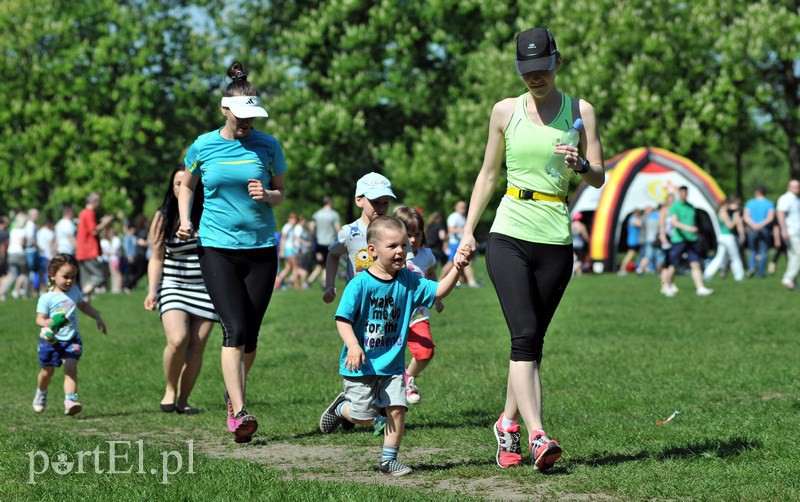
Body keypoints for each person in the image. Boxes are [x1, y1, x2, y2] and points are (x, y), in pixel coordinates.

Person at [456, 28, 605, 472]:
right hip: (509, 232)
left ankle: (507, 424)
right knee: (522, 335)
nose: (535, 78)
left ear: (557, 62)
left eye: (542, 69)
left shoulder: (581, 111)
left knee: (531, 344)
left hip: (555, 237)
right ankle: (538, 435)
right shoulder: (505, 111)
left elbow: (600, 177)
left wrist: (581, 165)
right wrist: (469, 232)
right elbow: (487, 175)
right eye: (527, 71)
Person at [177, 60, 286, 443]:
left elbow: (281, 192)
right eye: (240, 117)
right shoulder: (203, 146)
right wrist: (186, 218)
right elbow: (186, 185)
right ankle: (240, 412)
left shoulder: (269, 145)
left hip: (260, 249)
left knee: (251, 337)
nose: (246, 124)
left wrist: (268, 196)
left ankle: (233, 390)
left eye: (251, 118)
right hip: (216, 248)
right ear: (225, 109)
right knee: (234, 329)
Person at [318, 216, 469, 476]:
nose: (401, 250)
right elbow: (342, 319)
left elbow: (440, 291)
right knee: (364, 418)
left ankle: (389, 460)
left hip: (392, 363)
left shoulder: (409, 281)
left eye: (403, 246)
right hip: (361, 364)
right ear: (373, 250)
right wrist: (353, 346)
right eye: (393, 246)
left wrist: (457, 267)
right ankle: (342, 409)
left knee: (398, 409)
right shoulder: (359, 284)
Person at [146, 166, 218, 414]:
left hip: (206, 289)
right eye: (177, 183)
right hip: (174, 286)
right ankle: (170, 388)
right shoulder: (163, 217)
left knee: (196, 348)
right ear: (172, 187)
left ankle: (184, 400)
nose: (181, 187)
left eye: (186, 182)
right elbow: (156, 258)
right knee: (178, 340)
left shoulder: (208, 213)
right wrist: (151, 291)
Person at [33, 253, 107, 415]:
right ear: (52, 275)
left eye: (73, 277)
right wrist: (47, 323)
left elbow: (82, 305)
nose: (69, 281)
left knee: (71, 368)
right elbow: (39, 318)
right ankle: (41, 392)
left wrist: (97, 317)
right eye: (65, 276)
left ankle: (70, 400)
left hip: (71, 338)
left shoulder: (74, 291)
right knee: (47, 372)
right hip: (50, 340)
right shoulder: (47, 298)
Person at [393, 206, 444, 404]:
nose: (413, 240)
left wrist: (437, 298)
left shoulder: (426, 255)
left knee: (426, 351)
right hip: (392, 316)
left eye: (417, 234)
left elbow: (430, 275)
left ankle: (408, 377)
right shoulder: (391, 255)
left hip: (417, 315)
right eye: (408, 235)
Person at [322, 172, 396, 304]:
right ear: (358, 200)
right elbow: (333, 255)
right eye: (375, 202)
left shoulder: (395, 231)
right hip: (358, 302)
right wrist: (329, 286)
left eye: (385, 202)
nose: (381, 207)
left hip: (388, 302)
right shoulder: (349, 232)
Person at [662, 186, 714, 296]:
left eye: (685, 193)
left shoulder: (691, 207)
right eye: (682, 193)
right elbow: (674, 222)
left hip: (692, 239)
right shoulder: (674, 206)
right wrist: (688, 228)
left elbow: (694, 222)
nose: (683, 194)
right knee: (673, 264)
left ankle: (700, 287)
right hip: (678, 239)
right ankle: (666, 286)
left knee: (695, 263)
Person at [76, 193, 114, 300]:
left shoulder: (82, 212)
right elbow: (94, 231)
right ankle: (82, 295)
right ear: (94, 202)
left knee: (86, 280)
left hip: (81, 251)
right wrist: (105, 223)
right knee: (100, 277)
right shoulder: (89, 213)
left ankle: (85, 306)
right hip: (89, 251)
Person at [703, 196, 746, 282]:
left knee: (719, 257)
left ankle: (708, 274)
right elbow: (729, 226)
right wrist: (735, 219)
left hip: (723, 237)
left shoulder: (721, 212)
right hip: (728, 237)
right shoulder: (723, 213)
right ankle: (739, 276)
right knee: (735, 257)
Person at [440, 200, 480, 287]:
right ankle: (439, 280)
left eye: (465, 207)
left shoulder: (464, 217)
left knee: (467, 261)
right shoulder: (453, 217)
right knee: (450, 263)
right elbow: (451, 230)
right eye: (461, 207)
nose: (464, 209)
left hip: (462, 242)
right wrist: (462, 230)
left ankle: (471, 281)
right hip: (454, 243)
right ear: (456, 207)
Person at [308, 197, 341, 287]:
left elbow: (311, 227)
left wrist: (313, 238)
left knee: (321, 264)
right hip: (329, 242)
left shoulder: (317, 214)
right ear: (330, 203)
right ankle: (322, 281)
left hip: (319, 243)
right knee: (327, 264)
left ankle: (313, 281)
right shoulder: (334, 214)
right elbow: (337, 228)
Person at [743, 187, 775, 278]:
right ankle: (761, 273)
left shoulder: (750, 203)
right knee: (763, 251)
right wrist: (760, 225)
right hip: (764, 229)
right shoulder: (769, 203)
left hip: (752, 229)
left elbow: (746, 217)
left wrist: (754, 225)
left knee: (753, 250)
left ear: (756, 193)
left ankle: (752, 267)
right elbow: (770, 217)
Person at [776, 179, 800, 289]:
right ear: (788, 187)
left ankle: (792, 283)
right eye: (794, 186)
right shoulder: (785, 198)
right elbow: (780, 213)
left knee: (793, 256)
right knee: (798, 255)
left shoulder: (796, 199)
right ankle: (788, 278)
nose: (797, 189)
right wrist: (783, 230)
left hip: (796, 231)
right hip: (791, 232)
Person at [1, 212, 30, 300]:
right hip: (19, 254)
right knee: (25, 273)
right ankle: (23, 293)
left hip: (11, 253)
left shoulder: (12, 231)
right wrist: (25, 244)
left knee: (11, 275)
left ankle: (2, 292)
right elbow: (22, 243)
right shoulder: (22, 231)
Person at [618, 208, 643, 275]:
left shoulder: (633, 218)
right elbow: (641, 224)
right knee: (630, 254)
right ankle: (622, 268)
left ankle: (627, 268)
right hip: (632, 240)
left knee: (633, 254)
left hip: (634, 239)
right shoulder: (633, 219)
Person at [571, 212, 589, 276]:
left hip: (572, 245)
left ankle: (579, 275)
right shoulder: (581, 226)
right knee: (581, 261)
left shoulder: (571, 225)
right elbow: (585, 236)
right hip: (580, 246)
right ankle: (573, 270)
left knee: (576, 260)